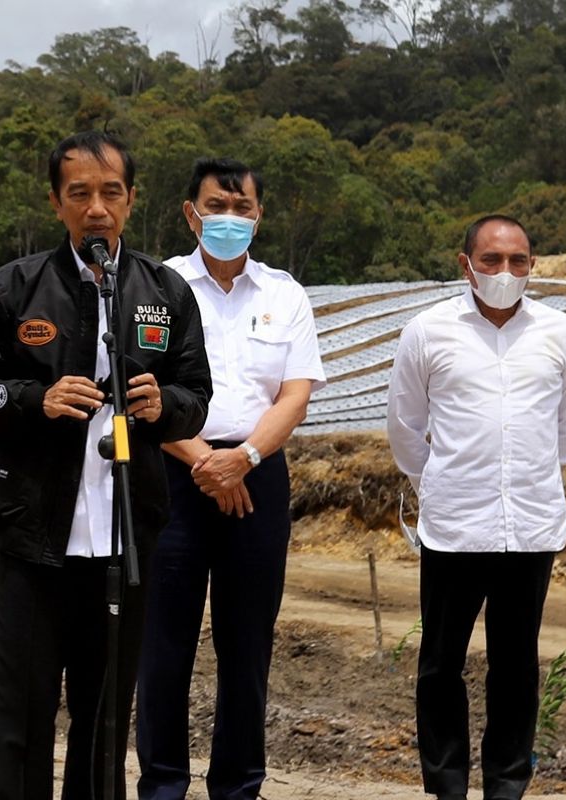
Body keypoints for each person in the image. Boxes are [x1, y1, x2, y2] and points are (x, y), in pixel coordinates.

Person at [0, 130, 213, 800]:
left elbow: (197, 397)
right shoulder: (13, 288)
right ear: (56, 202)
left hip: (125, 536)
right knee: (22, 708)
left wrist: (164, 405)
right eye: (80, 194)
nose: (97, 208)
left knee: (105, 713)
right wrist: (37, 398)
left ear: (131, 200)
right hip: (36, 535)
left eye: (110, 193)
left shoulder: (164, 291)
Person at [135, 158, 326, 800]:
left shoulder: (284, 294)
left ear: (259, 216)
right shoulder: (155, 286)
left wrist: (241, 458)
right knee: (164, 645)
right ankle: (162, 785)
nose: (230, 219)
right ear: (191, 213)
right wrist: (203, 462)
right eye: (217, 206)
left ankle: (238, 787)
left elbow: (294, 397)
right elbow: (142, 391)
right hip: (171, 472)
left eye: (242, 208)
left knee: (247, 648)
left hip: (257, 477)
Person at [385, 215, 566, 800]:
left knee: (517, 667)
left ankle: (506, 784)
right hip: (455, 526)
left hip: (530, 525)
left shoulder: (560, 332)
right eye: (492, 260)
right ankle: (446, 784)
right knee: (441, 664)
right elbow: (406, 426)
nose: (505, 272)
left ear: (533, 266)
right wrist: (445, 480)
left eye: (518, 261)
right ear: (465, 264)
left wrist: (525, 472)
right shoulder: (428, 331)